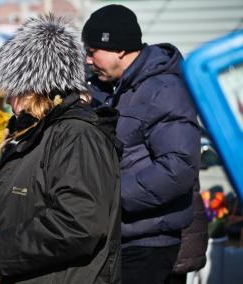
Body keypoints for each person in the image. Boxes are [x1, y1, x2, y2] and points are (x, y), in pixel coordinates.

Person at [0, 15, 122, 283]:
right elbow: (10, 218)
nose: (7, 98)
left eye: (11, 88)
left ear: (32, 87)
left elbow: (79, 224)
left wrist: (1, 254)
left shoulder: (76, 135)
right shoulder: (26, 135)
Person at [81, 4, 201, 284]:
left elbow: (178, 168)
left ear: (119, 49)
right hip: (120, 236)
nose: (87, 60)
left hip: (149, 244)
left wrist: (111, 196)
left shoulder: (164, 90)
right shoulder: (110, 89)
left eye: (92, 51)